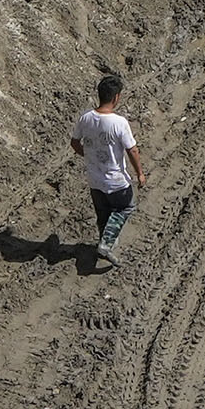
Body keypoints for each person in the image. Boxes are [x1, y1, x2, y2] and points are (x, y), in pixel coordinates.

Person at [72, 69, 141, 269]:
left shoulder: (85, 118)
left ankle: (105, 243)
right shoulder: (119, 123)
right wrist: (140, 174)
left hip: (95, 180)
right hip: (116, 181)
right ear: (116, 97)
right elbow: (132, 150)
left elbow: (75, 142)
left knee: (103, 215)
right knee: (125, 207)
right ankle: (105, 244)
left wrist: (89, 155)